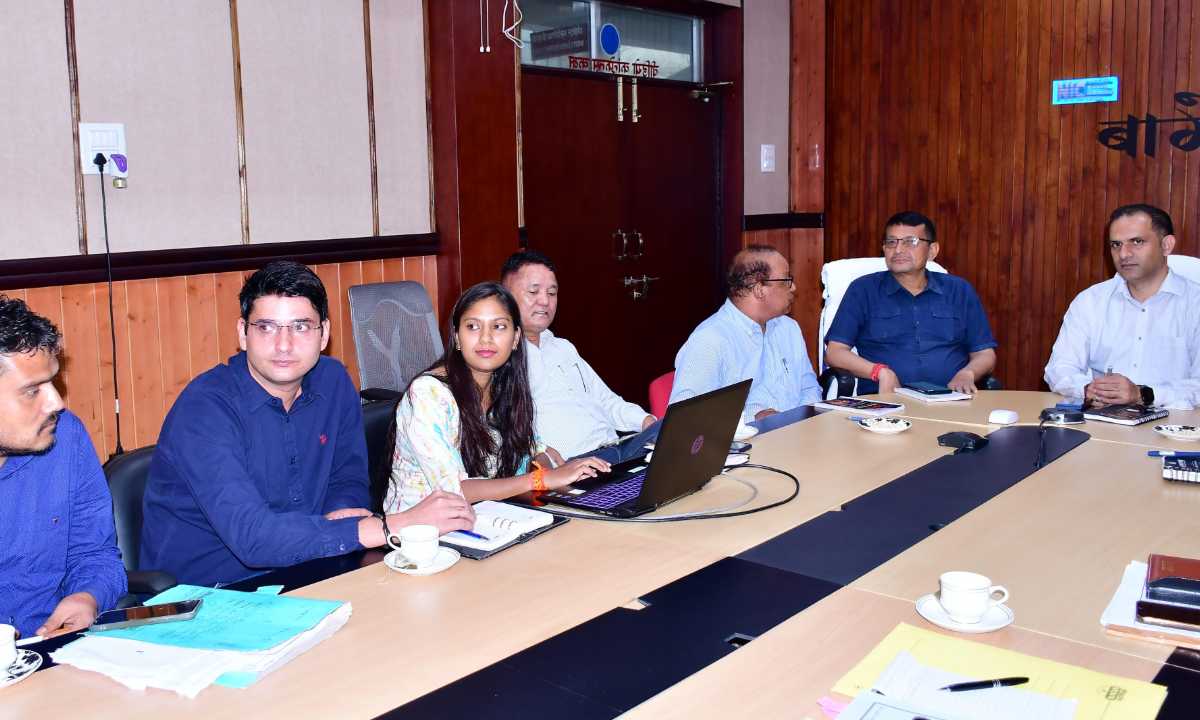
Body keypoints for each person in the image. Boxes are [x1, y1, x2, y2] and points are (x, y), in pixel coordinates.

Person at [141, 261, 475, 586]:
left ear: (324, 333)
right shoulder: (204, 408)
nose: (284, 345)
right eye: (266, 327)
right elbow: (253, 537)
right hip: (210, 595)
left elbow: (347, 475)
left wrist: (343, 511)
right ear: (243, 333)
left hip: (308, 571)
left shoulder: (333, 382)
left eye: (300, 327)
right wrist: (392, 526)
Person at [385, 282, 611, 511]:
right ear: (457, 337)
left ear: (516, 338)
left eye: (499, 327)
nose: (486, 338)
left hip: (492, 515)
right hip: (425, 526)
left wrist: (547, 469)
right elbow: (454, 490)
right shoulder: (428, 393)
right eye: (473, 326)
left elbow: (533, 448)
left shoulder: (504, 384)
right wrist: (540, 480)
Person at [0, 296, 126, 640]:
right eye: (32, 391)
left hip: (51, 647)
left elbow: (95, 553)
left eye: (53, 382)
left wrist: (88, 596)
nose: (56, 402)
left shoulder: (65, 436)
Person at [500, 251, 658, 465]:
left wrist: (645, 421)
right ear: (505, 298)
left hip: (615, 450)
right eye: (533, 292)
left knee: (676, 431)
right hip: (575, 465)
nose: (545, 301)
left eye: (552, 293)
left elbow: (605, 400)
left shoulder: (563, 347)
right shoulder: (501, 358)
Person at [824, 210, 997, 395]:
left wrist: (968, 373)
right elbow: (835, 353)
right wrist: (879, 372)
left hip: (952, 399)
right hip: (886, 401)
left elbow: (985, 354)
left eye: (910, 241)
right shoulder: (863, 290)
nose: (898, 250)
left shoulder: (959, 291)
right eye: (891, 242)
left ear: (932, 250)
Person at [1045, 204, 1200, 408]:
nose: (1124, 254)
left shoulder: (1194, 303)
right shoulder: (1091, 301)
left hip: (1175, 423)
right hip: (1101, 418)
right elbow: (1058, 369)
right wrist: (1088, 389)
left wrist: (1143, 394)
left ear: (1166, 245)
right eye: (1116, 245)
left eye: (1137, 242)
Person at [670, 245, 821, 420]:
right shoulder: (710, 340)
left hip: (798, 431)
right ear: (759, 289)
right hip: (747, 436)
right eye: (786, 280)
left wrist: (797, 421)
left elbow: (810, 388)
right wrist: (753, 418)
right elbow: (685, 418)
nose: (793, 287)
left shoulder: (789, 328)